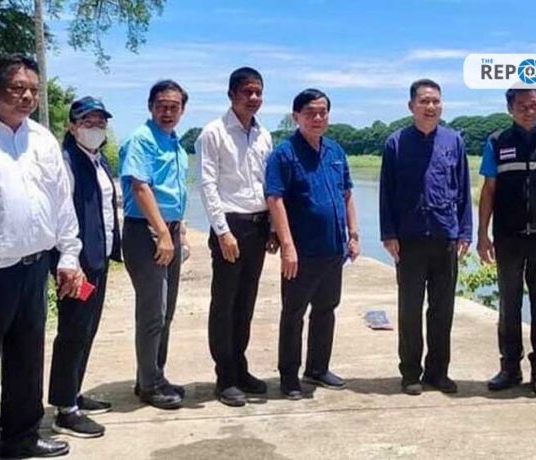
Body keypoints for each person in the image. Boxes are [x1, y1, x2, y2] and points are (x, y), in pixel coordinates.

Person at [0, 54, 82, 459]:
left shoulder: (42, 138)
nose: (28, 97)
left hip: (33, 266)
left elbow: (61, 200)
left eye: (34, 90)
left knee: (28, 356)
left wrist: (68, 255)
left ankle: (21, 438)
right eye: (18, 88)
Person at [379, 78, 472, 396]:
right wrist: (388, 233)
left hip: (445, 236)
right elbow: (386, 192)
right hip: (409, 238)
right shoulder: (395, 143)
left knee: (442, 309)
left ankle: (438, 371)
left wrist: (465, 231)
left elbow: (463, 189)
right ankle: (410, 373)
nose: (430, 107)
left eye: (435, 101)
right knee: (410, 309)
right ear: (411, 106)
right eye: (424, 101)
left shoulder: (454, 141)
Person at [265, 88, 359, 400]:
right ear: (296, 117)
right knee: (293, 313)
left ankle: (317, 368)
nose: (317, 118)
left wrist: (354, 235)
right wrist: (287, 246)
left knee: (326, 309)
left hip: (333, 249)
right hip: (302, 251)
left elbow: (347, 193)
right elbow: (275, 199)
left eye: (322, 112)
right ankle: (289, 375)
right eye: (310, 113)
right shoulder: (284, 153)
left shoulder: (335, 151)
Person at [195, 67, 274, 407]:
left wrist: (272, 227)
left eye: (258, 92)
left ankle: (240, 367)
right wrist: (222, 231)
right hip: (230, 226)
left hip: (257, 226)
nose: (253, 98)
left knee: (246, 302)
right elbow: (207, 185)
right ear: (231, 94)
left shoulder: (264, 135)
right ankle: (224, 377)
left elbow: (268, 183)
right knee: (224, 304)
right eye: (247, 92)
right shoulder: (213, 133)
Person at [48, 97, 122, 438]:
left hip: (98, 260)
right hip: (75, 263)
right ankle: (65, 410)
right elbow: (61, 215)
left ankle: (74, 392)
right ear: (72, 126)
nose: (95, 128)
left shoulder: (98, 160)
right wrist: (69, 261)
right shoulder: (66, 162)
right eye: (87, 122)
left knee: (87, 330)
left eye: (100, 122)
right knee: (73, 332)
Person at [477, 87, 536, 399]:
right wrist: (483, 234)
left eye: (533, 104)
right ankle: (510, 368)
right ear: (510, 109)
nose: (529, 110)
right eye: (522, 106)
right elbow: (489, 190)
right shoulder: (497, 142)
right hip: (508, 237)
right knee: (509, 305)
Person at [119, 80, 189, 410]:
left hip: (168, 232)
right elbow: (140, 187)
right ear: (150, 106)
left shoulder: (174, 142)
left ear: (183, 110)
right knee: (152, 312)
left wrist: (178, 232)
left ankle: (154, 375)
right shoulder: (142, 139)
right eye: (161, 106)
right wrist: (162, 232)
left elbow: (174, 192)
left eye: (174, 107)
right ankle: (149, 385)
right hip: (145, 232)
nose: (167, 112)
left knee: (166, 312)